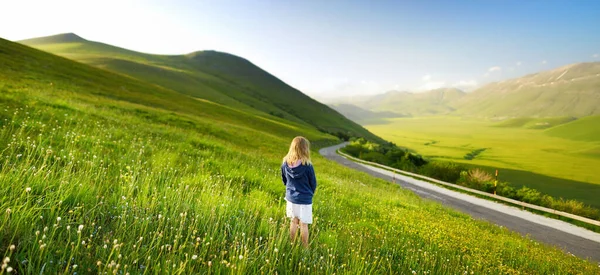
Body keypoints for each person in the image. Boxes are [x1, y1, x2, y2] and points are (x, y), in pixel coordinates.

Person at [281, 136, 317, 248]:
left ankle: (292, 244)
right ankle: (305, 247)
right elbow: (313, 183)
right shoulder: (307, 166)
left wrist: (290, 190)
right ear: (305, 149)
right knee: (304, 224)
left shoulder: (285, 164)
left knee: (293, 221)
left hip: (291, 198)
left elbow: (284, 180)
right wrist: (309, 193)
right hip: (305, 199)